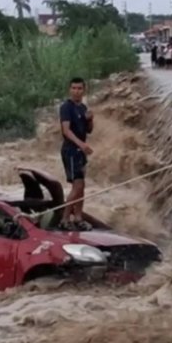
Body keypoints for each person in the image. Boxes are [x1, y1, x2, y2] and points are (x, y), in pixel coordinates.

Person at [58, 77, 94, 231]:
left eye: (79, 88)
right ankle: (65, 219)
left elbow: (89, 130)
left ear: (84, 90)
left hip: (80, 152)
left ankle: (78, 217)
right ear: (69, 89)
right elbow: (66, 130)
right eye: (73, 88)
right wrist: (81, 144)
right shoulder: (66, 107)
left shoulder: (83, 108)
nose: (76, 91)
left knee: (81, 186)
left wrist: (91, 119)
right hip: (71, 150)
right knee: (77, 186)